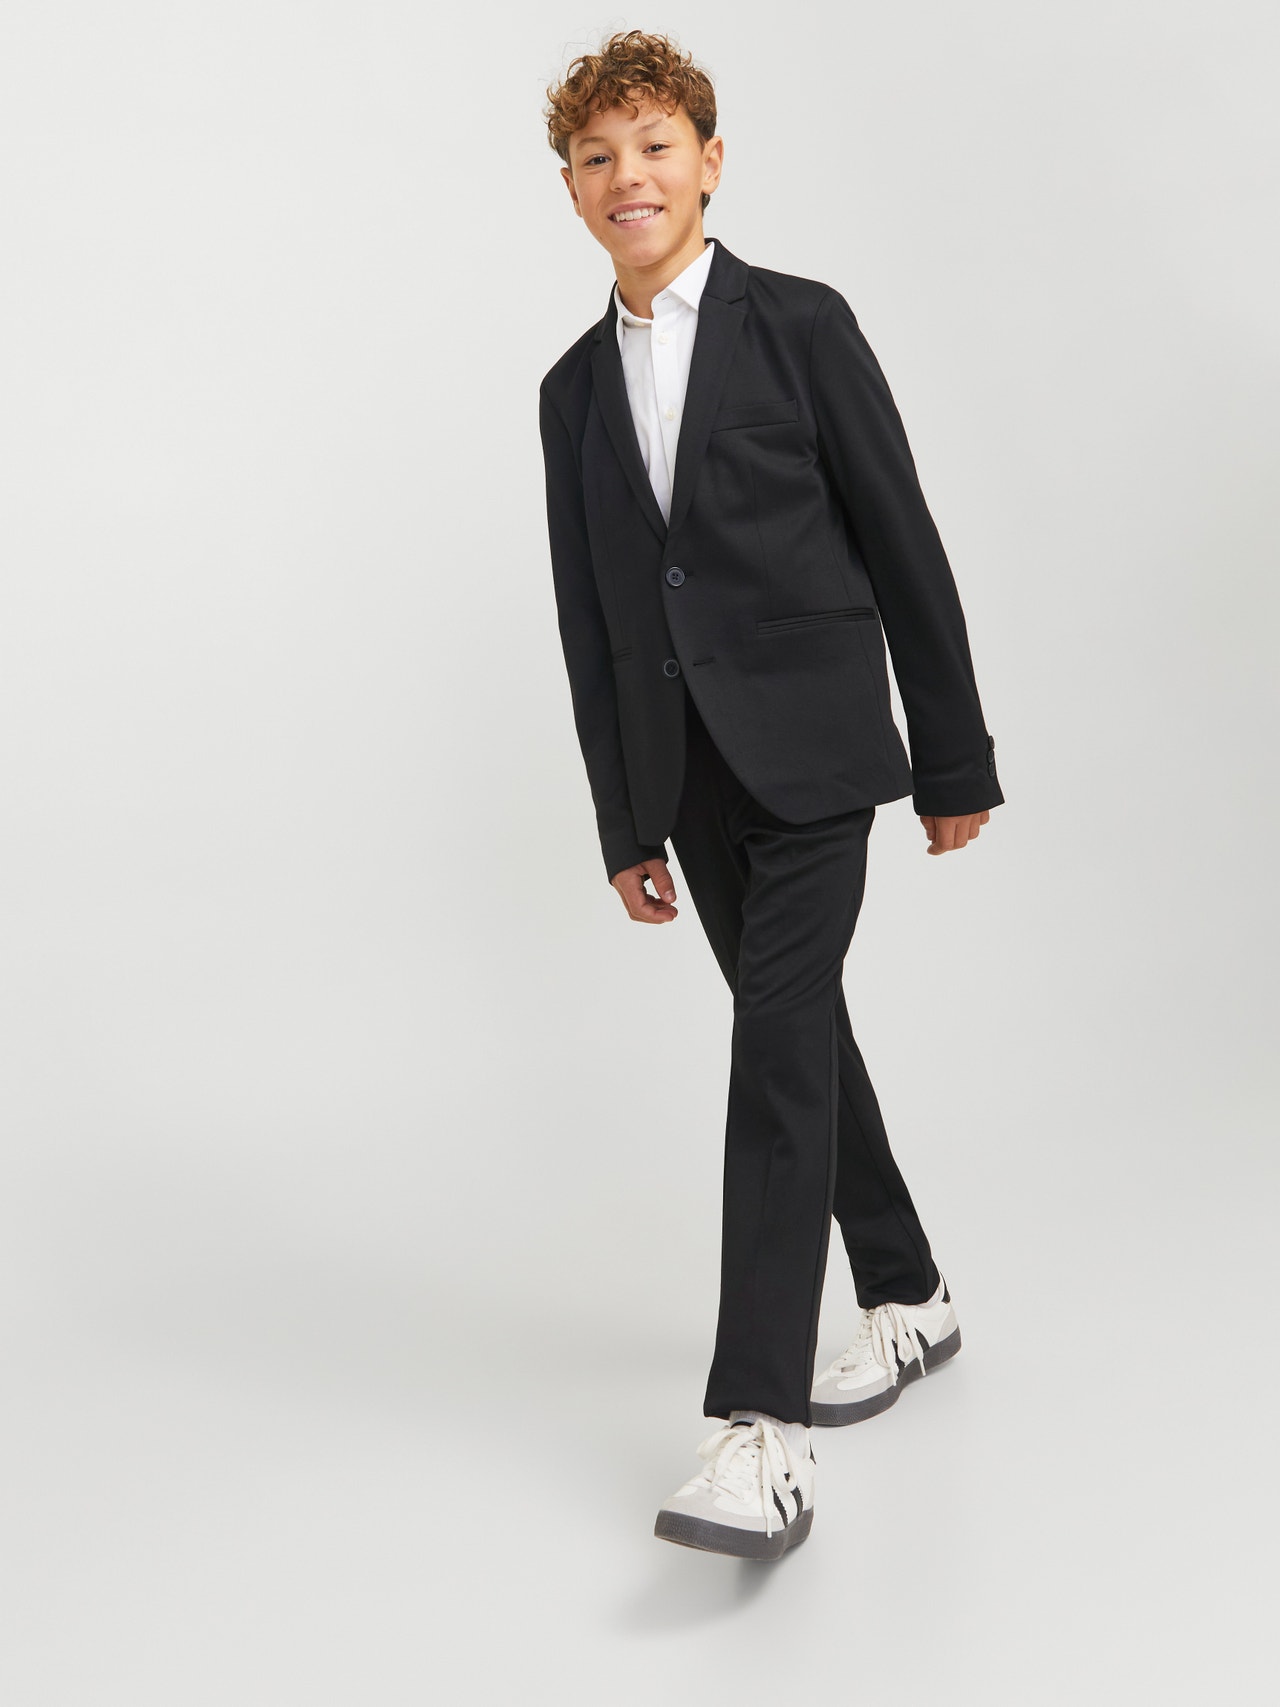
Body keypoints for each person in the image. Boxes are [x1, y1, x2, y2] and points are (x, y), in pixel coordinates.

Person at [538, 29, 1004, 1562]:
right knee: (799, 1033)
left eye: (656, 146)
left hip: (815, 760)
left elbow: (900, 535)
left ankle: (758, 1429)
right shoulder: (569, 393)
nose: (629, 176)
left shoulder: (801, 324)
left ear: (712, 163)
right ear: (571, 189)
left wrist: (952, 757)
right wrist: (625, 820)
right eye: (598, 156)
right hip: (687, 782)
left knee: (771, 1054)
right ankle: (910, 1293)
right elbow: (596, 621)